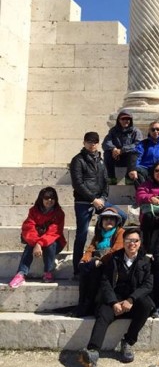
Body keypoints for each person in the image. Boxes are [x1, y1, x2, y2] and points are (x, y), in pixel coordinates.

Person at [78, 228, 155, 367]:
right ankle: (93, 352)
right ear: (123, 242)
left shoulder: (146, 261)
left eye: (135, 241)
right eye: (129, 240)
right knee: (103, 313)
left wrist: (131, 299)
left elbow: (148, 285)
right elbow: (105, 282)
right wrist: (113, 302)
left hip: (134, 300)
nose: (132, 244)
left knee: (146, 305)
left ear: (140, 243)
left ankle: (128, 342)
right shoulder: (114, 258)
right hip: (115, 299)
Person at [9, 187, 66, 288]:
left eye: (52, 198)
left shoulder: (59, 213)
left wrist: (39, 243)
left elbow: (54, 232)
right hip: (36, 242)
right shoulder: (33, 211)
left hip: (54, 243)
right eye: (46, 198)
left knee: (51, 244)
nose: (50, 200)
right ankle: (21, 273)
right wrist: (36, 243)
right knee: (29, 246)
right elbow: (28, 228)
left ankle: (48, 272)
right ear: (41, 199)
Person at [70, 131, 110, 277]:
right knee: (81, 234)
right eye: (89, 141)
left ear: (98, 143)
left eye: (94, 142)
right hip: (83, 201)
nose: (92, 144)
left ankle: (104, 253)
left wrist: (104, 198)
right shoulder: (77, 160)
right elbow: (78, 183)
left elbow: (105, 181)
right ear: (84, 142)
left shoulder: (100, 160)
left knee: (121, 215)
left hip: (100, 200)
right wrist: (93, 199)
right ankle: (77, 269)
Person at [74, 207, 125, 316]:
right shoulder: (99, 234)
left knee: (93, 271)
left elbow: (116, 250)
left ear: (116, 221)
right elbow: (90, 249)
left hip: (112, 263)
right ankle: (83, 303)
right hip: (98, 262)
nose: (109, 221)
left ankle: (86, 305)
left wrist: (100, 261)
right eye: (106, 218)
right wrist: (84, 260)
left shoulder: (120, 232)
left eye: (112, 218)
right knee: (84, 270)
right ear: (101, 221)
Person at [102, 110, 143, 185]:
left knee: (133, 153)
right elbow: (106, 142)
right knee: (107, 153)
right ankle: (112, 178)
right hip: (116, 157)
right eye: (123, 119)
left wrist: (122, 150)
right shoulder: (113, 131)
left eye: (128, 119)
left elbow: (138, 144)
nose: (126, 121)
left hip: (129, 158)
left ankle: (129, 178)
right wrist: (114, 149)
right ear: (119, 120)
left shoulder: (136, 131)